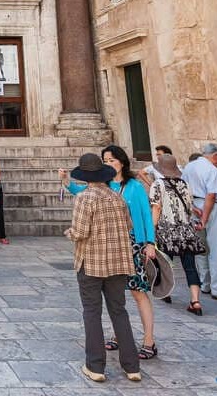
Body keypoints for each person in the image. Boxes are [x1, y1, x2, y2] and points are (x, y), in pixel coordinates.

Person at [61, 144, 158, 359]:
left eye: (112, 159)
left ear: (122, 162)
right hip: (109, 248)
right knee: (117, 297)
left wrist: (150, 242)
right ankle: (119, 337)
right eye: (105, 160)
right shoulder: (104, 188)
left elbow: (145, 214)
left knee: (137, 293)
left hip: (133, 244)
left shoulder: (133, 187)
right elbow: (83, 192)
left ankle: (149, 340)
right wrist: (67, 182)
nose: (109, 163)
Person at [64, 153, 141, 384]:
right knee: (119, 311)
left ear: (85, 177)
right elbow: (128, 225)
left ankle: (95, 366)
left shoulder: (85, 198)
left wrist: (69, 233)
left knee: (92, 312)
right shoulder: (117, 198)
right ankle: (132, 367)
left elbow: (79, 232)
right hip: (118, 263)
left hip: (92, 263)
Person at [149, 153, 206, 315]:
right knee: (190, 267)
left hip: (167, 232)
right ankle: (195, 301)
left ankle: (165, 293)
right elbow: (189, 206)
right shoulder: (185, 184)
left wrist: (152, 229)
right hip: (186, 231)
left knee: (165, 263)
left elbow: (156, 208)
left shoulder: (157, 184)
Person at [181, 142, 217, 300]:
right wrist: (204, 218)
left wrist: (193, 207)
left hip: (194, 206)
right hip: (210, 208)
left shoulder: (189, 167)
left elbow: (183, 190)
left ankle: (204, 283)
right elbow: (211, 196)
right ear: (215, 155)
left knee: (201, 250)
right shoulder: (212, 170)